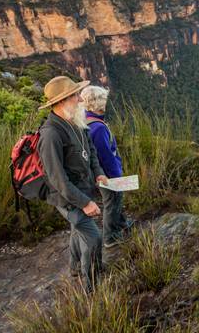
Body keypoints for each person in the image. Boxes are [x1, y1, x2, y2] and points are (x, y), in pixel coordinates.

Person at [38, 76, 108, 292]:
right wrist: (85, 203)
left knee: (77, 230)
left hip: (82, 189)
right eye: (75, 95)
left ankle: (75, 268)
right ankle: (91, 286)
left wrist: (98, 173)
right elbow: (57, 178)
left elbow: (91, 150)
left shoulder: (77, 121)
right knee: (94, 238)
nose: (80, 99)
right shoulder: (50, 134)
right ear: (62, 101)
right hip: (68, 198)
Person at [80, 85, 133, 248]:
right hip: (108, 174)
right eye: (104, 99)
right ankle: (111, 236)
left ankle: (122, 222)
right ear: (97, 102)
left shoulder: (85, 121)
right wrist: (117, 175)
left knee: (116, 200)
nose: (106, 103)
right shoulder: (99, 128)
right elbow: (106, 156)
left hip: (98, 173)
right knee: (112, 201)